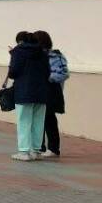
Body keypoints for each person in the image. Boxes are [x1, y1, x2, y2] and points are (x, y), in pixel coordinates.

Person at [7, 30, 50, 162]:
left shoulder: (18, 52)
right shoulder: (42, 52)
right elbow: (48, 72)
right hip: (41, 92)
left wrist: (12, 56)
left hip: (24, 91)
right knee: (38, 122)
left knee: (24, 121)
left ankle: (24, 151)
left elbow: (13, 72)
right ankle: (36, 151)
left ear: (20, 41)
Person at [34, 30, 68, 158]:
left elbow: (63, 74)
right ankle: (39, 147)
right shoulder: (36, 56)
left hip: (51, 92)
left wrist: (48, 78)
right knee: (39, 119)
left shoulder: (55, 56)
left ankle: (53, 148)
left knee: (49, 119)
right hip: (38, 91)